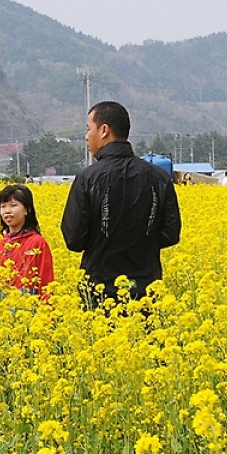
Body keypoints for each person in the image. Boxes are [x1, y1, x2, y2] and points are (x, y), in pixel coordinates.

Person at [60, 101, 181, 309]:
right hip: (146, 292)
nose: (87, 136)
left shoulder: (87, 179)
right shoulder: (159, 177)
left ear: (104, 130)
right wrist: (141, 243)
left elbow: (74, 239)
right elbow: (170, 234)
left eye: (89, 129)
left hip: (100, 294)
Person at [0, 184, 53, 302]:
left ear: (27, 210)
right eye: (3, 206)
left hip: (31, 308)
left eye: (13, 205)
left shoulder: (37, 242)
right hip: (1, 309)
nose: (7, 211)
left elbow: (46, 282)